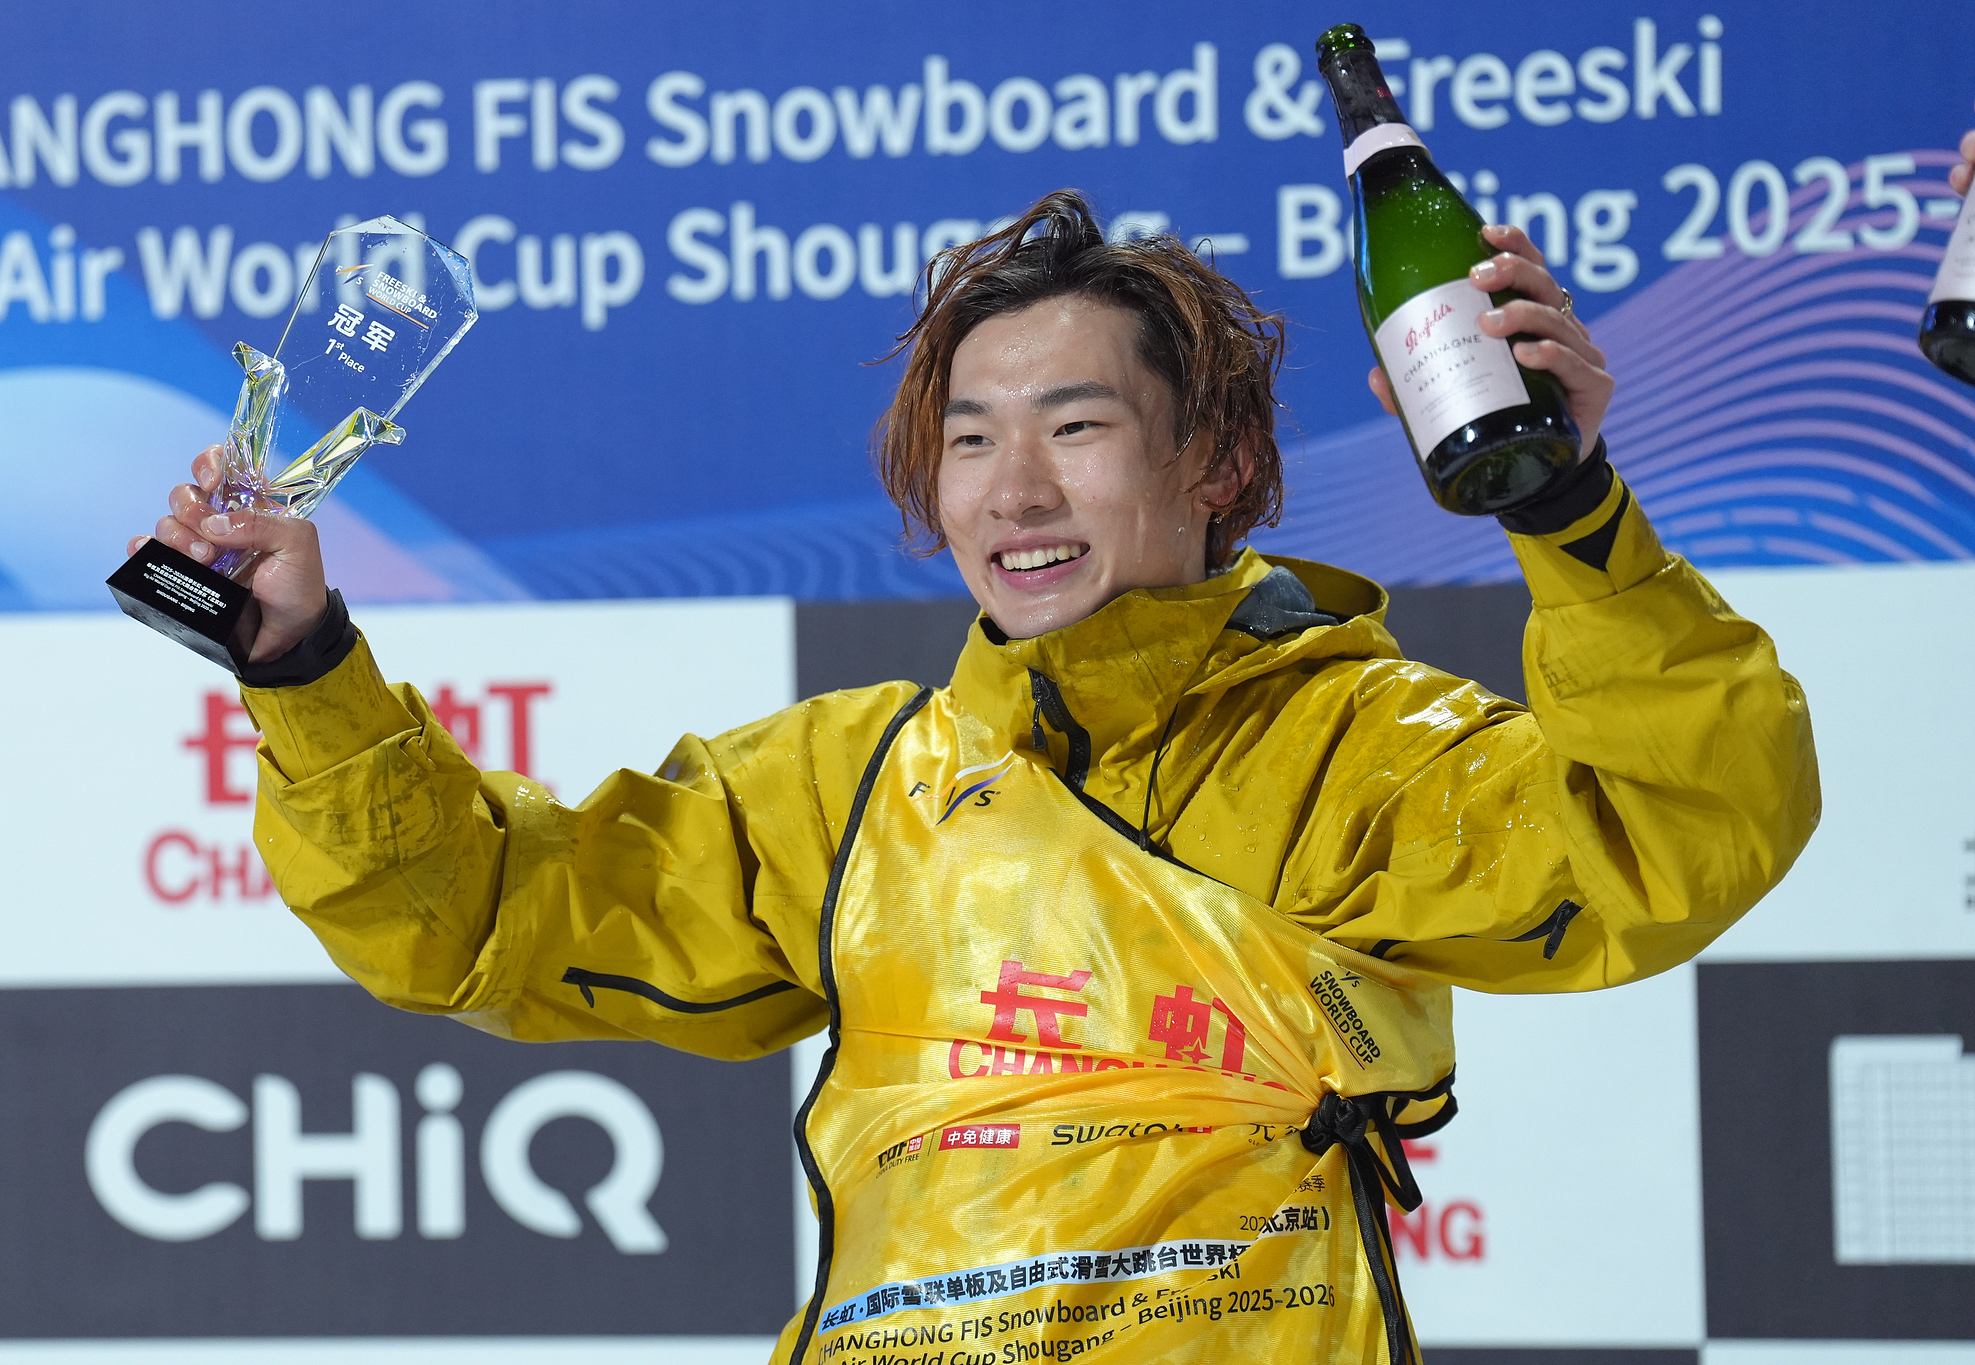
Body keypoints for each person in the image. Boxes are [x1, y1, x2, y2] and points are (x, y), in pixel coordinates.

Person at [136, 192, 1818, 1365]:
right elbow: (482, 920)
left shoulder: (1347, 747)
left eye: (1077, 428)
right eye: (968, 438)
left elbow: (1670, 830)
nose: (1014, 488)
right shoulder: (843, 785)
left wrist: (1567, 514)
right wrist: (307, 671)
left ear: (1218, 461)